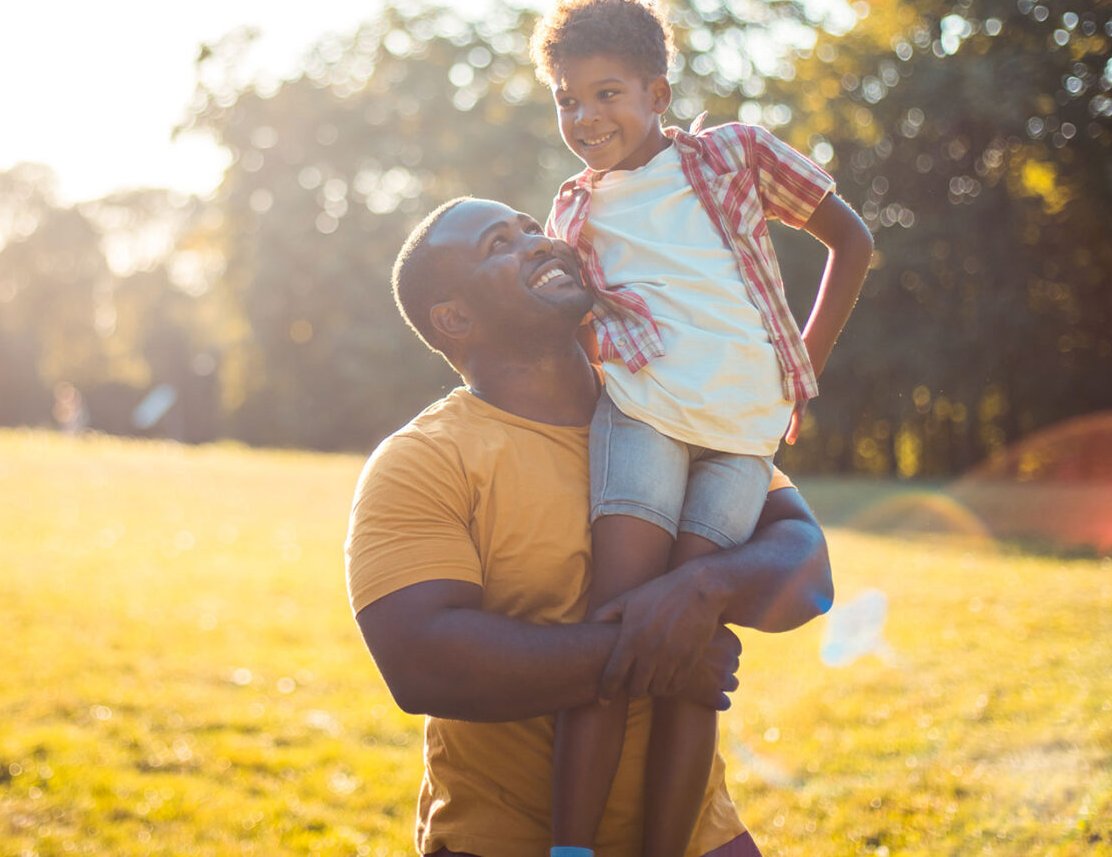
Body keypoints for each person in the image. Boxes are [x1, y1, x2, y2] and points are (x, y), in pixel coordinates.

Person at [347, 197, 834, 857]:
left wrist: (704, 592)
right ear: (455, 318)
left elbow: (806, 563)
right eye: (500, 244)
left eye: (531, 228)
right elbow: (424, 662)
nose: (539, 242)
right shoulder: (422, 461)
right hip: (503, 841)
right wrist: (661, 655)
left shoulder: (669, 401)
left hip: (697, 838)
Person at [532, 0, 873, 857]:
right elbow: (560, 332)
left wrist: (802, 367)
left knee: (690, 652)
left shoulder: (733, 157)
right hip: (643, 422)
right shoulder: (573, 213)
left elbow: (853, 240)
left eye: (606, 94)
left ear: (657, 92)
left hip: (740, 439)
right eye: (567, 99)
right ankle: (570, 850)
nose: (584, 116)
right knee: (614, 628)